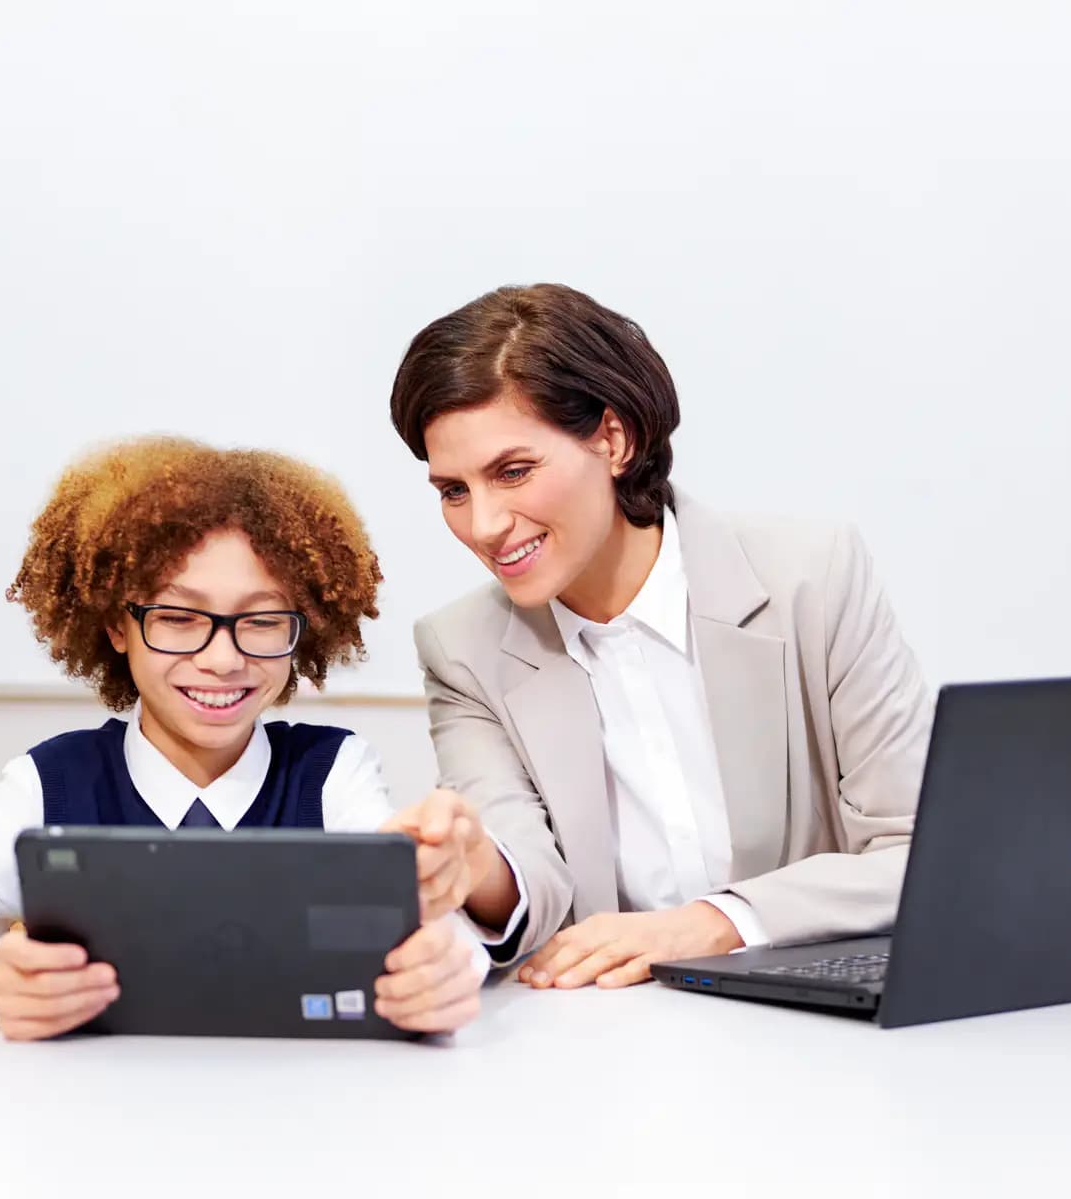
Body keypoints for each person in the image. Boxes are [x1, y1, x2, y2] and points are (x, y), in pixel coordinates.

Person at [0, 437, 494, 1037]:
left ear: (306, 627)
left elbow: (436, 926)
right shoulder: (53, 784)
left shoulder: (330, 773)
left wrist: (446, 968)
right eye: (177, 617)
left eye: (261, 621)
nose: (222, 659)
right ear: (118, 627)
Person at [389, 283, 935, 989]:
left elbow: (917, 848)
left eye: (513, 472)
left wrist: (717, 921)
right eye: (453, 491)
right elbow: (527, 869)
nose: (484, 524)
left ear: (614, 440)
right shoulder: (460, 648)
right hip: (609, 1042)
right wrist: (473, 866)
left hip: (821, 1029)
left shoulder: (810, 578)